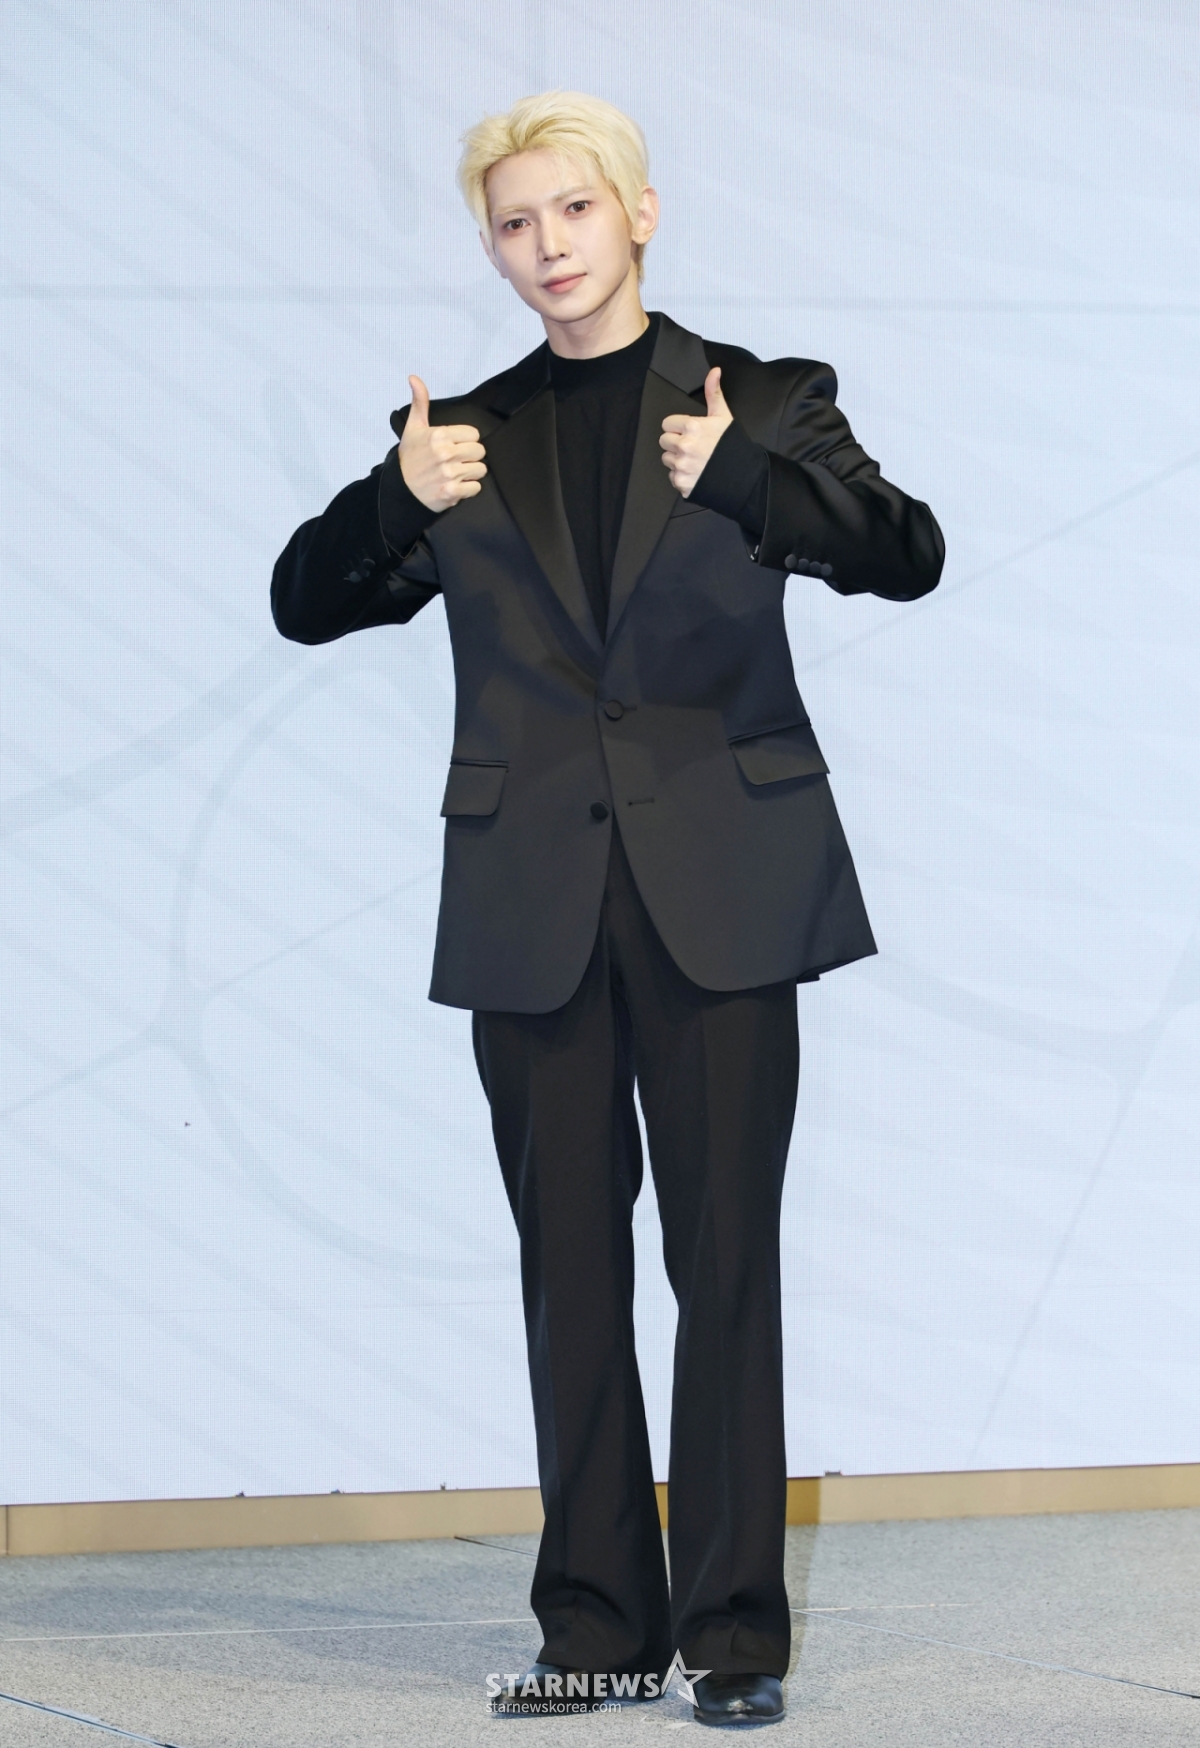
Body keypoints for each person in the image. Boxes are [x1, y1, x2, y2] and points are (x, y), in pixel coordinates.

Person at [272, 90, 943, 1727]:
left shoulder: (762, 400)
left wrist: (751, 484)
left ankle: (732, 1641)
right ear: (492, 248)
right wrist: (396, 499)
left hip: (726, 888)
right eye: (515, 223)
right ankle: (594, 1633)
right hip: (533, 901)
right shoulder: (461, 438)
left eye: (574, 209)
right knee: (569, 1269)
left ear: (639, 213)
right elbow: (305, 603)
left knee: (726, 1266)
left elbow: (905, 553)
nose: (548, 245)